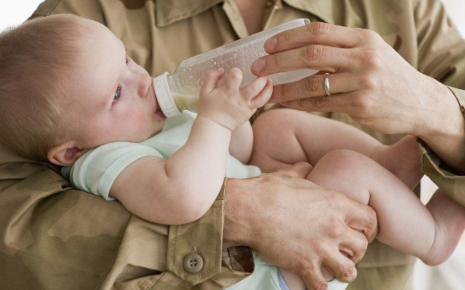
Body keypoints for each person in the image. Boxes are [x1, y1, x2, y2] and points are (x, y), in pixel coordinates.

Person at [0, 0, 464, 289]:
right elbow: (182, 194)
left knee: (278, 126)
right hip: (271, 276)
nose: (141, 81)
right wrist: (218, 128)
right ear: (68, 152)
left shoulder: (144, 123)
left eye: (128, 60)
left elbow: (239, 149)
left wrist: (436, 109)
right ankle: (435, 237)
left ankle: (387, 165)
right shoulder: (106, 157)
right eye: (117, 93)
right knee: (342, 169)